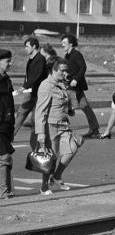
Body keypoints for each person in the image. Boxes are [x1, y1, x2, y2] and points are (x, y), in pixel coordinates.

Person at [33, 59, 83, 195]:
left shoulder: (61, 84)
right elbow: (40, 111)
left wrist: (70, 108)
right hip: (51, 126)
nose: (66, 73)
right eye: (62, 70)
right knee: (51, 157)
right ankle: (44, 186)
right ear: (54, 70)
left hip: (63, 124)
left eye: (67, 70)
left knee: (74, 146)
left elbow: (63, 101)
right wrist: (40, 133)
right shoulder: (46, 86)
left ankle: (56, 176)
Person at [60, 33, 101, 138]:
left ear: (71, 44)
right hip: (71, 85)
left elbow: (83, 67)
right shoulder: (67, 55)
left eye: (64, 43)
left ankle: (64, 128)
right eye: (62, 42)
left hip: (75, 86)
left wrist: (76, 79)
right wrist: (66, 75)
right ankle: (94, 129)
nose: (62, 44)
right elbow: (70, 69)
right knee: (84, 107)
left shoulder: (76, 54)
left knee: (65, 105)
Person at [12, 37, 48, 139]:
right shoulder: (32, 58)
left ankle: (41, 139)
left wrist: (24, 86)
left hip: (39, 93)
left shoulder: (40, 59)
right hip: (30, 91)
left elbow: (36, 75)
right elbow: (28, 76)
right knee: (21, 112)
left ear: (34, 46)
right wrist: (25, 86)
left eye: (27, 46)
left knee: (39, 117)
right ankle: (9, 137)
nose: (25, 49)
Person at [0, 51, 15, 199]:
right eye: (7, 61)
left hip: (6, 125)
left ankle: (7, 191)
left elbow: (9, 103)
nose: (10, 64)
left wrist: (11, 123)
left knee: (6, 157)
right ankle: (5, 192)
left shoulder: (6, 79)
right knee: (4, 157)